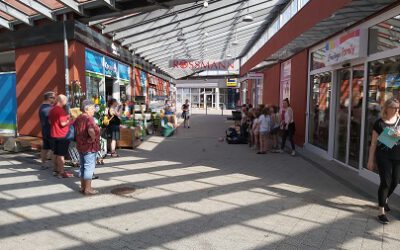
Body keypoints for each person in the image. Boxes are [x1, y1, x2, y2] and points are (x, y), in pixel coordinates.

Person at [368, 98, 400, 224]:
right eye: (394, 107)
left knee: (395, 181)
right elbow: (374, 143)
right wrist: (370, 160)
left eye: (398, 107)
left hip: (398, 156)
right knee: (386, 182)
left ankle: (384, 199)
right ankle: (381, 211)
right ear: (386, 108)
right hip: (383, 156)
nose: (396, 109)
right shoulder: (379, 123)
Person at [74, 100, 100, 195]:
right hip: (89, 147)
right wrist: (93, 138)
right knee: (89, 167)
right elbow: (90, 130)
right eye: (92, 108)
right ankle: (88, 189)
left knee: (82, 166)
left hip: (80, 145)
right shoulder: (89, 118)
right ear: (87, 109)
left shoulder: (79, 118)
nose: (94, 110)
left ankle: (82, 187)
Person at [48, 94, 74, 178]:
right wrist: (70, 120)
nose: (66, 103)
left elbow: (50, 121)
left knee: (55, 153)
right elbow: (63, 123)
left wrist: (65, 117)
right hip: (62, 135)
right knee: (61, 155)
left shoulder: (52, 109)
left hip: (54, 134)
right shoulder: (60, 110)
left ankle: (55, 170)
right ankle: (62, 172)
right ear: (62, 101)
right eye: (65, 101)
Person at [38, 91, 56, 170]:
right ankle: (56, 167)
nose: (55, 99)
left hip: (45, 131)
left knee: (45, 148)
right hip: (51, 132)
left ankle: (43, 164)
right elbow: (51, 121)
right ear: (49, 98)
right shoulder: (49, 109)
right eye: (53, 97)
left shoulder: (42, 107)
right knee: (55, 150)